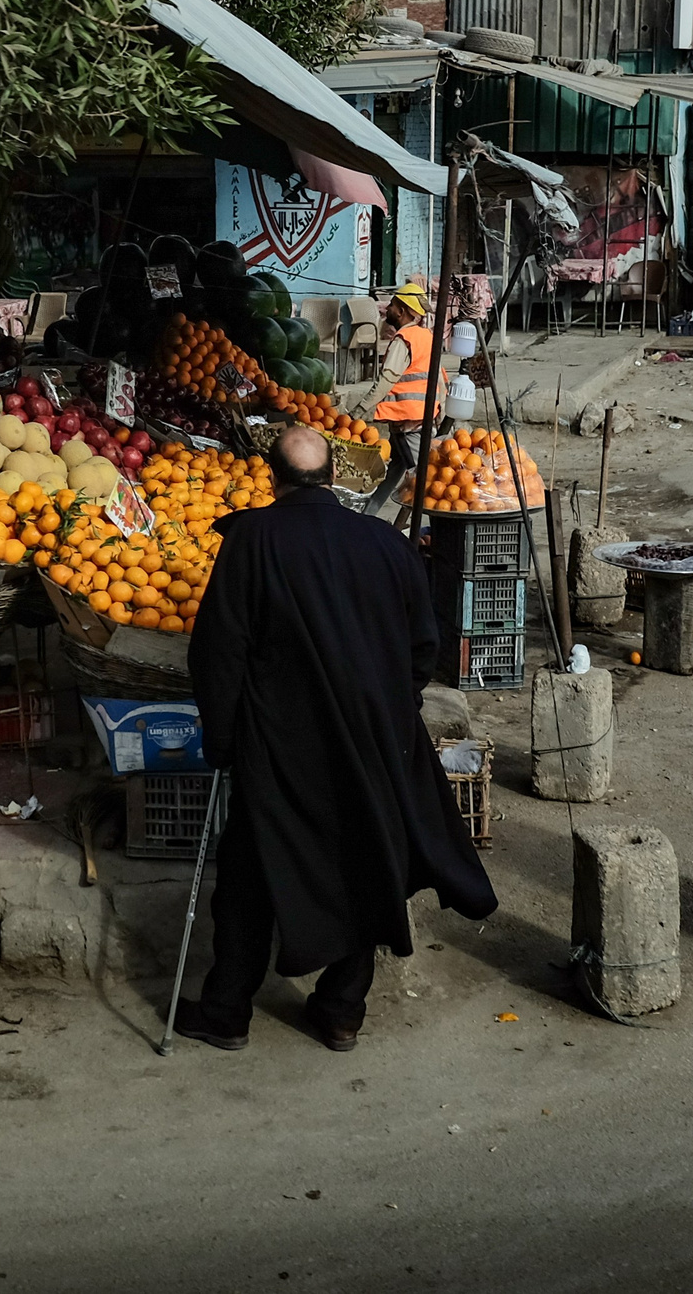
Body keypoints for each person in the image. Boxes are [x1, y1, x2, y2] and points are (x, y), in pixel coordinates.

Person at [176, 424, 497, 1052]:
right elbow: (422, 648)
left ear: (274, 478)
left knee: (249, 873)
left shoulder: (252, 540)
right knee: (365, 861)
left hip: (279, 745)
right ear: (333, 476)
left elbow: (218, 652)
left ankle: (227, 1010)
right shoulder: (386, 544)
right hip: (371, 741)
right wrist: (390, 712)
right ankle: (342, 1009)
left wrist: (222, 737)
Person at [352, 282, 434, 518]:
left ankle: (437, 528)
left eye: (393, 305)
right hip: (421, 418)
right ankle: (366, 517)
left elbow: (385, 382)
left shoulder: (403, 340)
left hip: (407, 423)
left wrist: (356, 412)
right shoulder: (425, 337)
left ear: (403, 311)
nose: (387, 308)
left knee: (424, 480)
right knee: (393, 473)